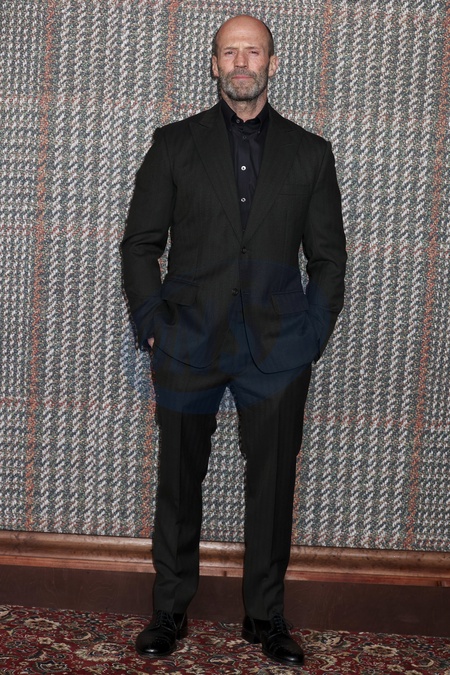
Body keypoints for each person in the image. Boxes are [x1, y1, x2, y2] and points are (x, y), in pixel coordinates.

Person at [122, 14, 346, 668]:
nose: (241, 61)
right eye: (230, 51)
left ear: (272, 63)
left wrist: (312, 334)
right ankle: (169, 610)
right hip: (187, 342)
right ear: (215, 63)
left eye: (253, 51)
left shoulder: (310, 154)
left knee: (273, 488)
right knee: (178, 481)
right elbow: (140, 244)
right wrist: (153, 323)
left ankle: (265, 616)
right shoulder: (173, 145)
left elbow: (328, 259)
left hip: (278, 351)